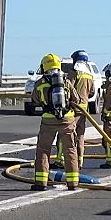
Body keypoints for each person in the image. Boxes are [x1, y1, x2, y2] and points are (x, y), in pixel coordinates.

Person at [31, 54, 80, 191]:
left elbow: (34, 100)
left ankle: (41, 183)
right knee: (70, 150)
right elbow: (76, 99)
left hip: (48, 120)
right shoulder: (66, 81)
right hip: (67, 119)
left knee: (43, 150)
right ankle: (73, 183)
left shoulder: (40, 83)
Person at [53, 50, 94, 170]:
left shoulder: (73, 73)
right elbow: (91, 93)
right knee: (80, 136)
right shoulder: (89, 75)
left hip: (73, 108)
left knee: (64, 134)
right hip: (84, 110)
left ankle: (60, 160)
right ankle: (80, 161)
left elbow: (67, 88)